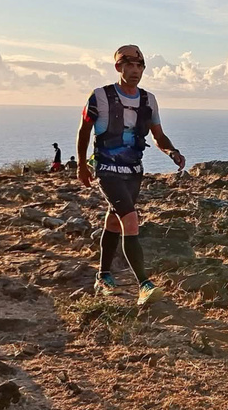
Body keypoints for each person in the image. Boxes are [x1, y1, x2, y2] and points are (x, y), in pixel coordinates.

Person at [76, 44, 186, 306]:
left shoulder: (148, 100)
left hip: (134, 171)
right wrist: (82, 165)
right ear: (118, 67)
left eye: (139, 66)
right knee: (131, 219)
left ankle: (103, 276)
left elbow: (158, 135)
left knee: (114, 221)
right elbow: (84, 132)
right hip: (106, 170)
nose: (135, 70)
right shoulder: (99, 96)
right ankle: (144, 285)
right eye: (129, 65)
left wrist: (172, 152)